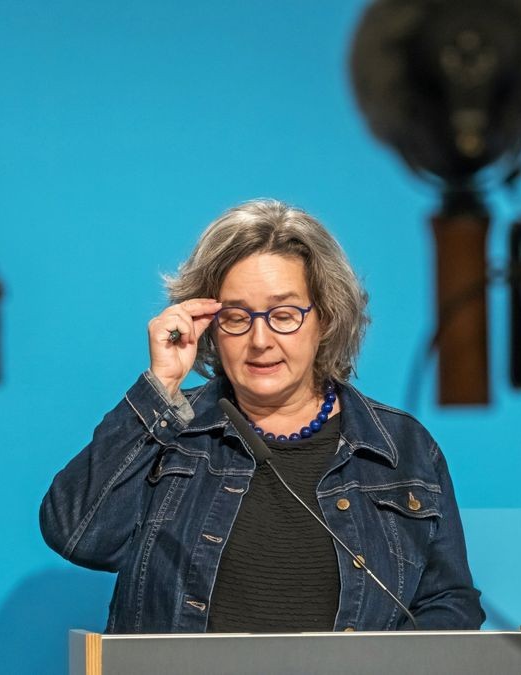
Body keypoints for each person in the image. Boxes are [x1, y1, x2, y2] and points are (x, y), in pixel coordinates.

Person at [39, 199, 484, 633]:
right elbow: (76, 534)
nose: (260, 340)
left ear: (325, 319)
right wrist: (161, 387)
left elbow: (449, 603)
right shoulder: (170, 431)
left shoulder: (401, 447)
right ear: (208, 323)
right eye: (236, 317)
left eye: (284, 315)